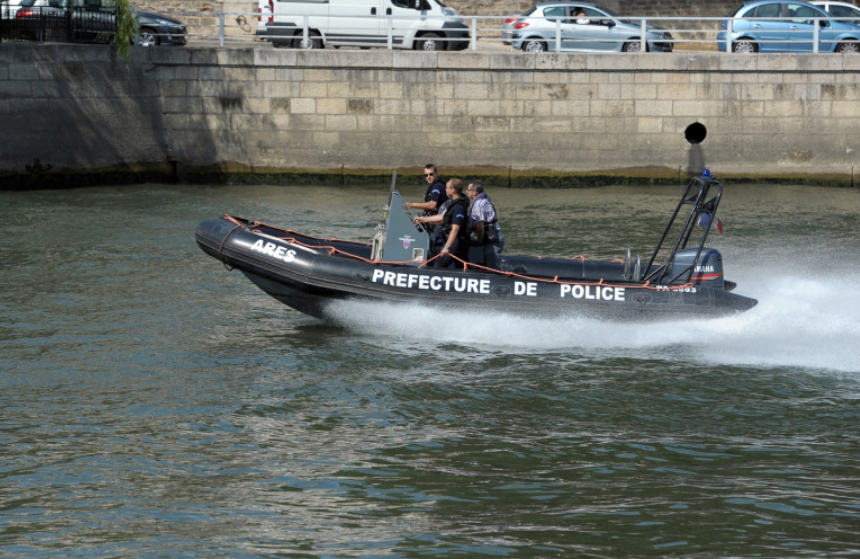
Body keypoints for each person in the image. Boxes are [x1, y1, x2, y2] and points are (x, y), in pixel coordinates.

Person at [413, 179, 470, 268]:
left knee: (439, 264)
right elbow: (442, 217)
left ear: (453, 190)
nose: (445, 190)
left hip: (455, 241)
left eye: (447, 188)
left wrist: (447, 247)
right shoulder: (451, 203)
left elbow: (455, 229)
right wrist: (423, 219)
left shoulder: (459, 207)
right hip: (448, 238)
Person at [466, 180, 505, 269]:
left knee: (492, 267)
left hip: (491, 240)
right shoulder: (485, 200)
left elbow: (480, 226)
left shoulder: (478, 204)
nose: (466, 191)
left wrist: (479, 240)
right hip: (494, 237)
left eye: (468, 190)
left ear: (475, 192)